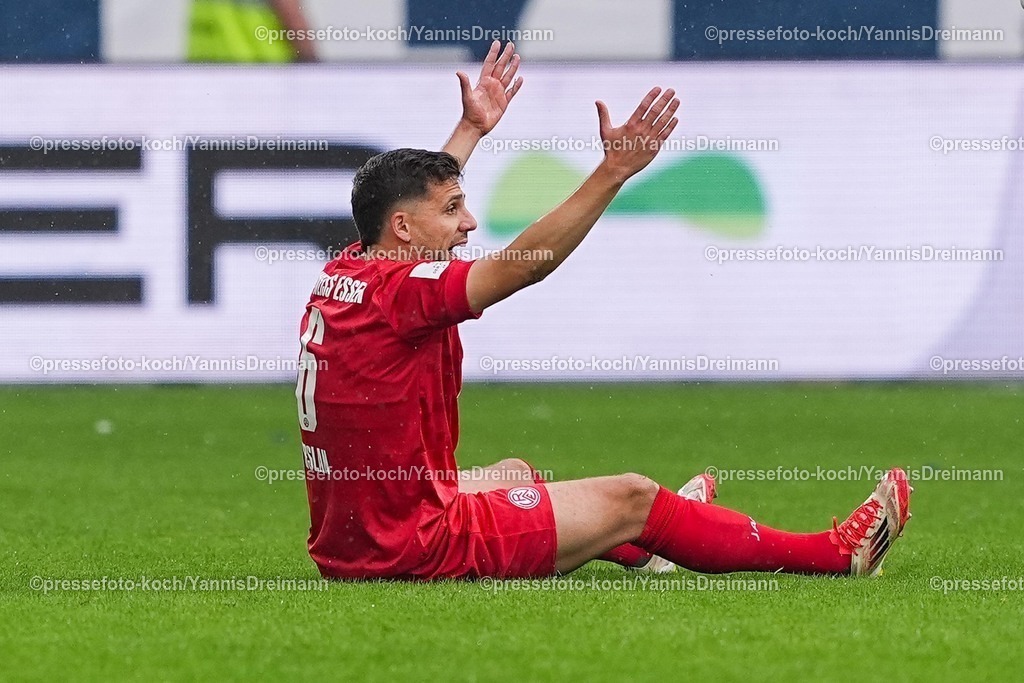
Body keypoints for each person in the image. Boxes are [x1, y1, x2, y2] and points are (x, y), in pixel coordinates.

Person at [295, 41, 912, 580]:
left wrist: (471, 132)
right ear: (404, 228)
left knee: (514, 474)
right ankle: (831, 554)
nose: (470, 221)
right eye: (454, 208)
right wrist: (613, 172)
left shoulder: (347, 271)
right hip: (414, 546)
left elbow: (408, 204)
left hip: (352, 541)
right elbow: (525, 263)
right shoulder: (406, 292)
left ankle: (649, 549)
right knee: (635, 496)